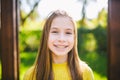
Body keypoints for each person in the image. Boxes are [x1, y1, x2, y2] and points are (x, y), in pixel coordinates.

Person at [23, 10, 94, 80]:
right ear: (46, 36)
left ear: (74, 38)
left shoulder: (85, 72)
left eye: (68, 33)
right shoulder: (30, 75)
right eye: (55, 32)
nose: (61, 39)